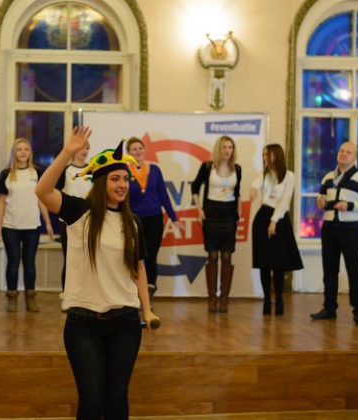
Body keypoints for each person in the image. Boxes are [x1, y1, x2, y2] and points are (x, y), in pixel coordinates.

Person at [35, 127, 159, 419]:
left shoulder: (133, 222)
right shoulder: (79, 212)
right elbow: (42, 190)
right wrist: (67, 152)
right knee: (91, 400)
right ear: (101, 181)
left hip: (125, 322)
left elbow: (138, 268)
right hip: (83, 325)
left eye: (125, 179)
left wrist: (147, 309)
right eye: (115, 179)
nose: (122, 185)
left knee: (117, 398)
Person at [311, 141, 358, 325]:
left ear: (355, 157)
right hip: (330, 228)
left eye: (348, 152)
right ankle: (329, 308)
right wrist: (321, 202)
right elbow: (322, 198)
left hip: (351, 229)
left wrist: (349, 205)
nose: (344, 154)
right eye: (341, 150)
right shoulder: (328, 177)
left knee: (354, 270)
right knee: (329, 270)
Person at [0, 138, 54, 313]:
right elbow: (1, 201)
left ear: (30, 152)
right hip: (10, 226)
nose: (22, 152)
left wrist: (48, 223)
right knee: (13, 262)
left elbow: (42, 200)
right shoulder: (6, 174)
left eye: (26, 149)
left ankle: (30, 298)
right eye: (19, 149)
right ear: (14, 153)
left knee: (29, 263)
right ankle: (12, 297)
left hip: (32, 226)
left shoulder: (37, 172)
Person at [126, 137, 181, 306]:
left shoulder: (155, 170)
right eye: (134, 149)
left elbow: (163, 195)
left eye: (140, 148)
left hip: (155, 219)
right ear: (128, 153)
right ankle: (134, 294)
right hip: (134, 220)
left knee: (150, 256)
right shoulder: (124, 171)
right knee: (135, 258)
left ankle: (149, 293)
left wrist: (173, 217)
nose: (138, 152)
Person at [250, 144, 303, 316]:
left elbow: (285, 200)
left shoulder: (289, 176)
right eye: (263, 155)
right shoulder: (264, 174)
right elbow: (256, 184)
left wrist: (273, 221)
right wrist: (253, 190)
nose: (264, 158)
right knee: (264, 263)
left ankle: (279, 299)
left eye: (267, 155)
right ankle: (267, 300)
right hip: (262, 217)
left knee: (278, 263)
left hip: (279, 219)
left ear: (276, 155)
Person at [191, 135, 241, 313]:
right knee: (212, 256)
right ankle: (212, 297)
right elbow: (195, 188)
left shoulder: (237, 169)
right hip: (211, 213)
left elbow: (238, 192)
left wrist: (238, 211)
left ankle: (224, 297)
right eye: (224, 147)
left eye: (230, 147)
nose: (227, 151)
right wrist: (199, 209)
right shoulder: (207, 167)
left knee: (227, 256)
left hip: (229, 215)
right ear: (219, 149)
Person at [55, 142, 92, 311]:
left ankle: (85, 297)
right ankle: (67, 297)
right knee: (70, 259)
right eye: (81, 147)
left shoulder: (92, 170)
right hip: (68, 222)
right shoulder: (66, 170)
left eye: (87, 148)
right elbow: (55, 192)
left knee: (88, 260)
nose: (84, 151)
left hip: (89, 221)